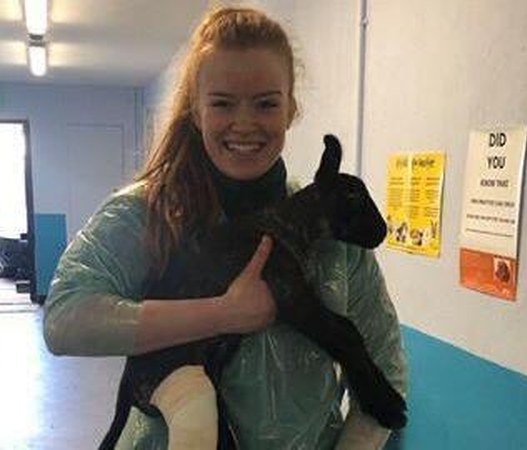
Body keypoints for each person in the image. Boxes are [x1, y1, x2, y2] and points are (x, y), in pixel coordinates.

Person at [43, 6, 406, 449]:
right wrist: (224, 313)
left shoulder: (330, 231)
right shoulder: (146, 213)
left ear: (291, 108)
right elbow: (64, 320)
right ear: (196, 111)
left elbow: (385, 362)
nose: (245, 123)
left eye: (267, 103)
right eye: (222, 103)